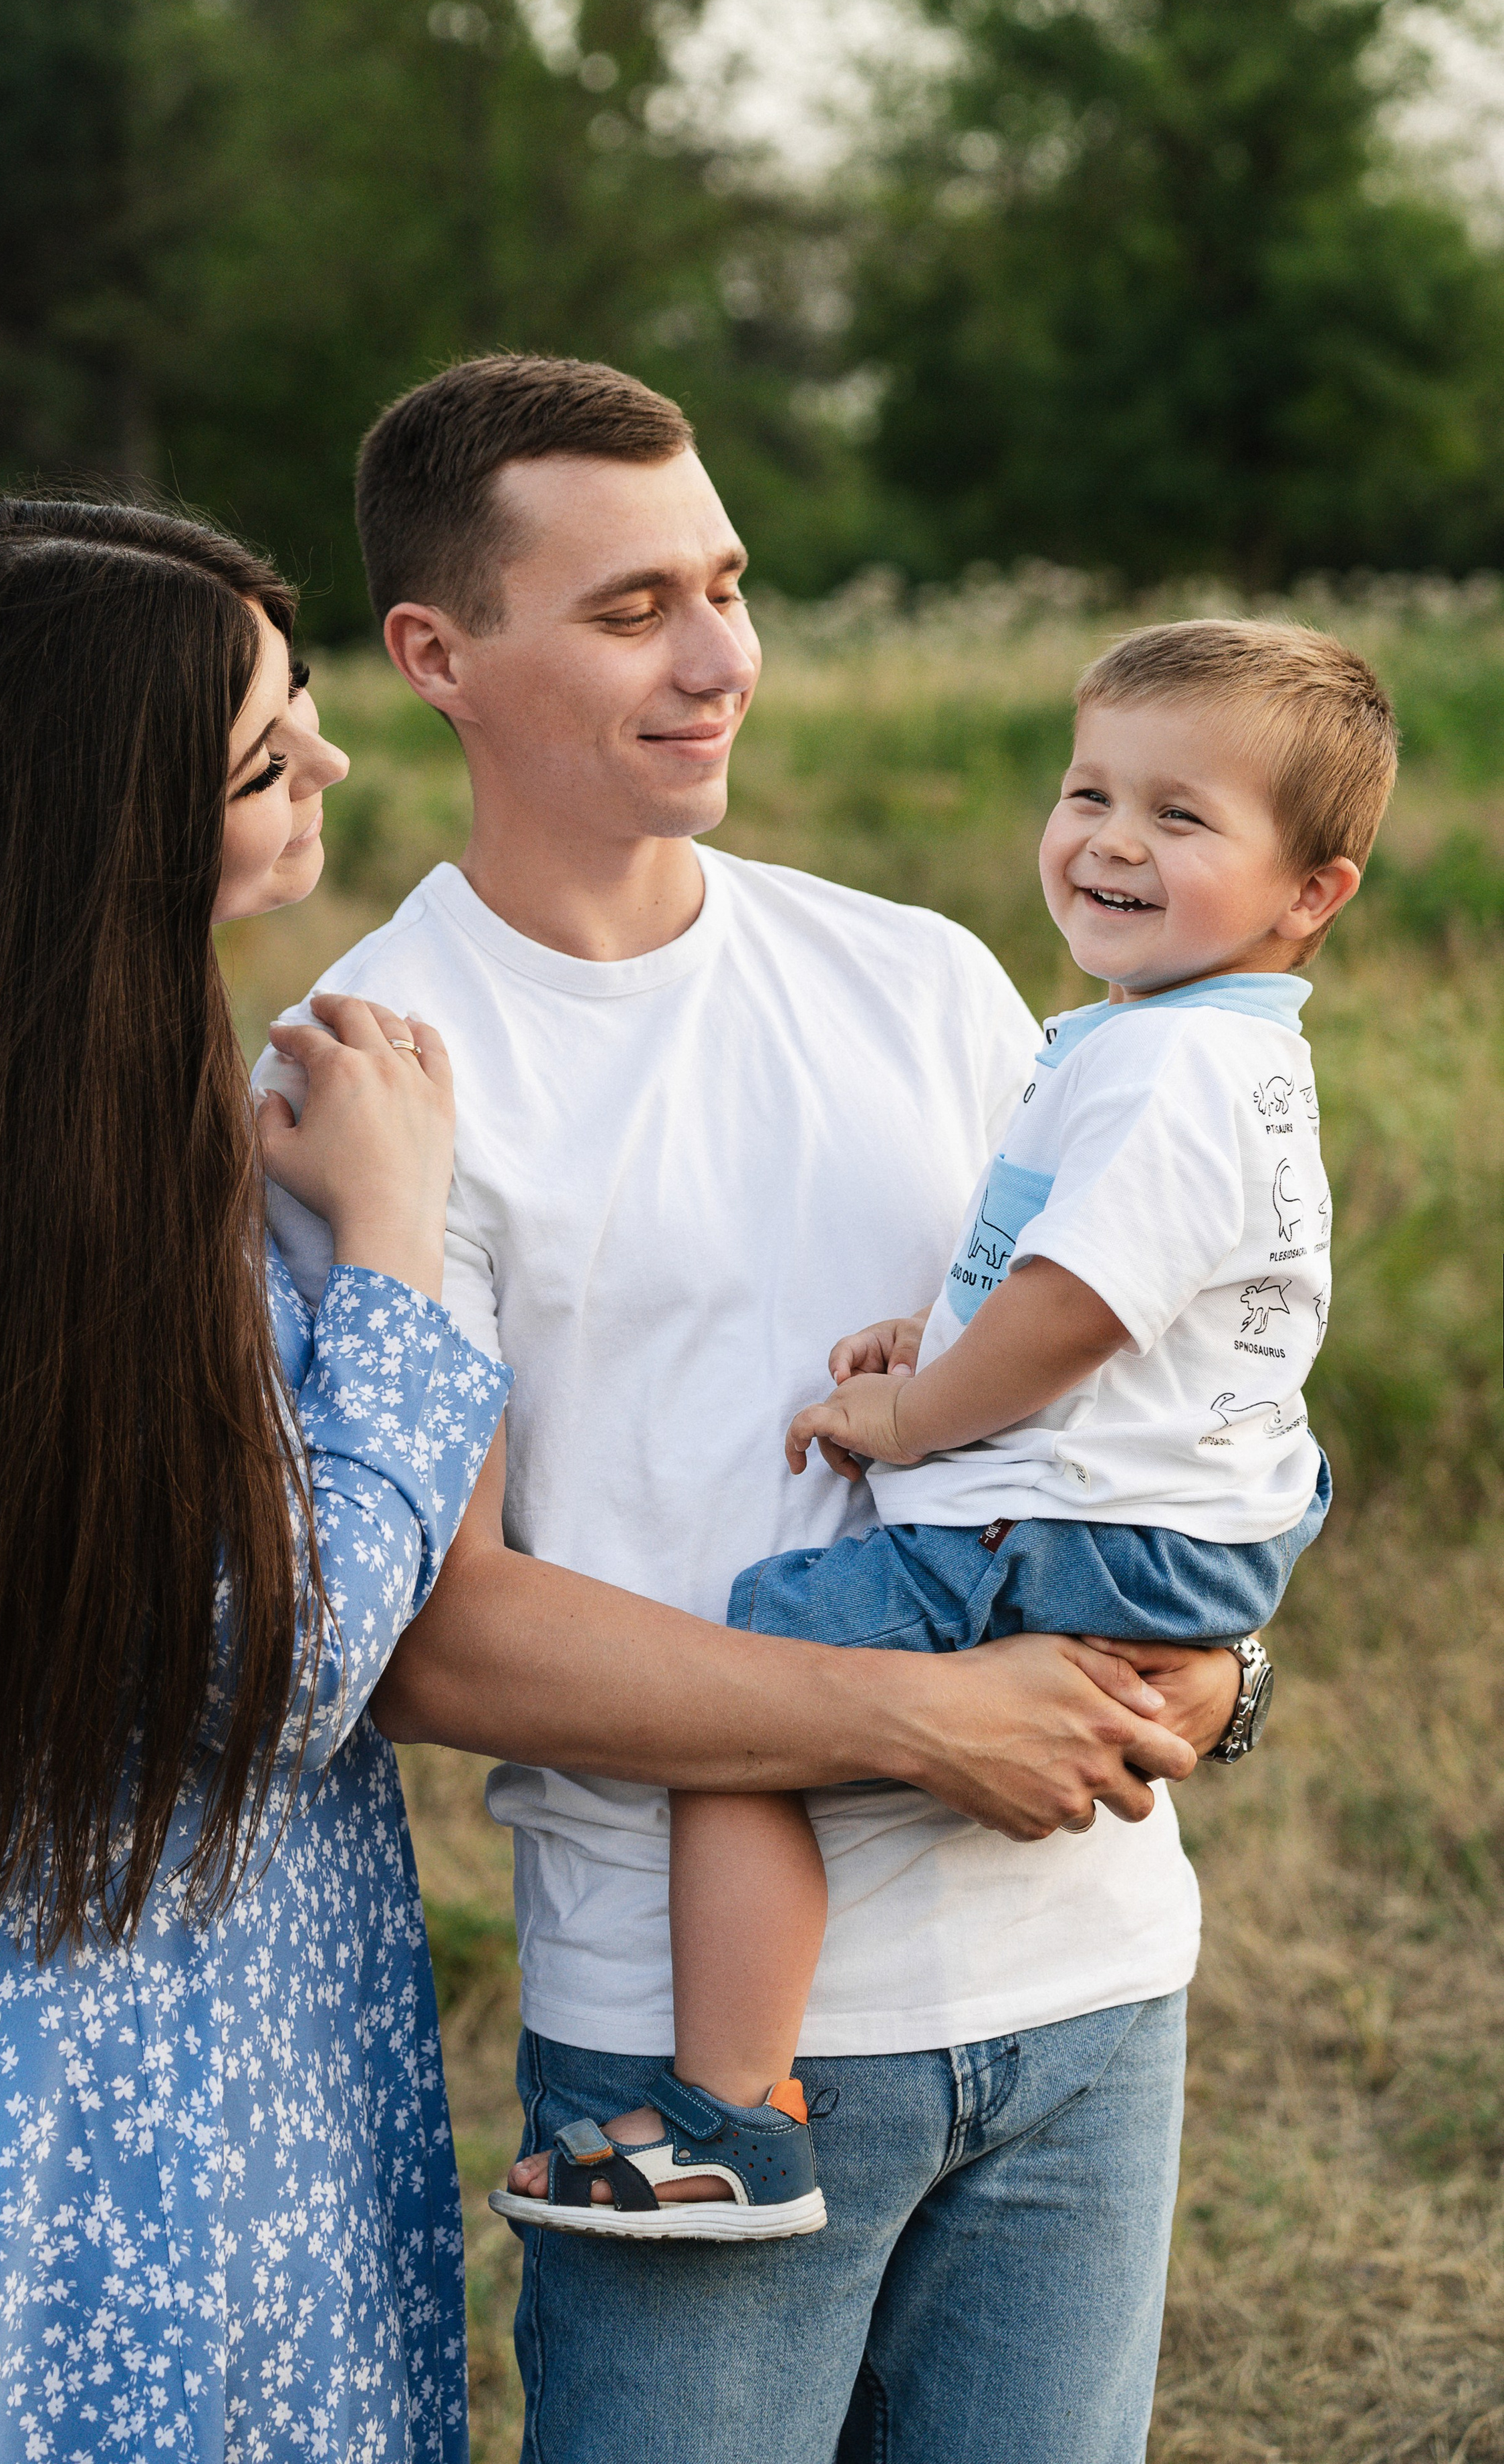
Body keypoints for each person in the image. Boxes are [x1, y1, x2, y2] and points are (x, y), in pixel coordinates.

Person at [261, 356, 1245, 2464]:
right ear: (436, 653)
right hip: (697, 2077)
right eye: (629, 611)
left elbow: (1129, 1402)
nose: (720, 659)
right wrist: (922, 1721)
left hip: (1089, 1984)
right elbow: (432, 1631)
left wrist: (1218, 1666)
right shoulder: (371, 1082)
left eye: (726, 583)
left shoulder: (928, 977)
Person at [502, 618, 1395, 2245]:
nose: (1111, 841)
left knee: (752, 1683)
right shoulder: (1192, 1049)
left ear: (1307, 892)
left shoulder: (1164, 1069)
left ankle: (728, 2114)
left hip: (1084, 1528)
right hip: (1194, 1513)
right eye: (1087, 792)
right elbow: (1117, 1293)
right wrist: (947, 1330)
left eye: (1179, 819)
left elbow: (1073, 1312)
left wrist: (912, 1409)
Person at [0, 497, 512, 2463]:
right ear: (94, 825)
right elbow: (271, 1666)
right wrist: (392, 1252)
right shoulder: (59, 1185)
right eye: (266, 755)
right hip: (114, 2081)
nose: (333, 765)